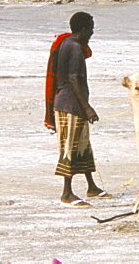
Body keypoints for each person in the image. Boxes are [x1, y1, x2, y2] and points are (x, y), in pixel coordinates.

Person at [45, 11, 108, 207]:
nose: (92, 33)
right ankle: (67, 194)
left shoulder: (68, 43)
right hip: (70, 104)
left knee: (83, 146)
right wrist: (87, 107)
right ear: (83, 29)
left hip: (71, 103)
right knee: (70, 148)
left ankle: (91, 187)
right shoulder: (75, 49)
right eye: (90, 28)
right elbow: (73, 79)